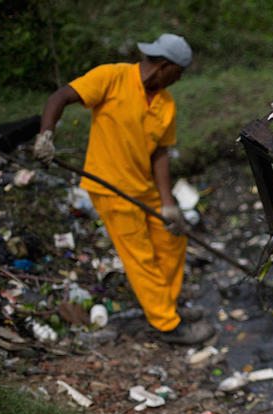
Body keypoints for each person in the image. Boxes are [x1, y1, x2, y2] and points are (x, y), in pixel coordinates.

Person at [33, 33, 214, 345]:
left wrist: (167, 202)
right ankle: (167, 325)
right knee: (140, 256)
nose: (179, 80)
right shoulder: (112, 77)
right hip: (111, 188)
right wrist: (45, 135)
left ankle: (165, 306)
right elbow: (59, 97)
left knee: (172, 240)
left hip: (144, 187)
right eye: (179, 73)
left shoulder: (165, 103)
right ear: (166, 67)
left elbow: (160, 153)